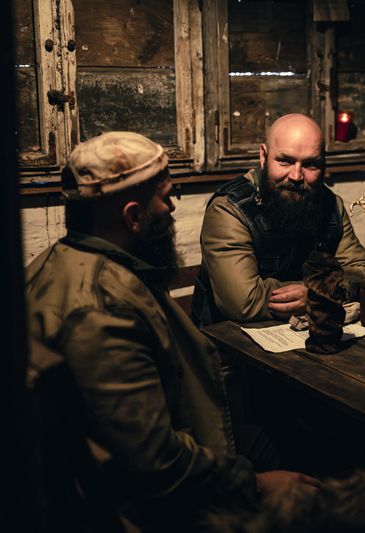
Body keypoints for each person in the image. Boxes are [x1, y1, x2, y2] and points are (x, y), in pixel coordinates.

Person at [26, 132, 318, 529]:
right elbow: (156, 463)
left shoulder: (52, 263)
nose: (172, 208)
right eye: (165, 197)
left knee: (283, 437)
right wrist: (258, 485)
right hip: (138, 505)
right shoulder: (103, 309)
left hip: (154, 450)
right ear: (133, 217)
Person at [192, 113, 365, 326]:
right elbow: (244, 302)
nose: (296, 176)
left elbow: (364, 272)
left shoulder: (331, 205)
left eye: (311, 164)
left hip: (305, 337)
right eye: (285, 161)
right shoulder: (229, 209)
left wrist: (316, 293)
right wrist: (324, 292)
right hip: (229, 341)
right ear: (263, 156)